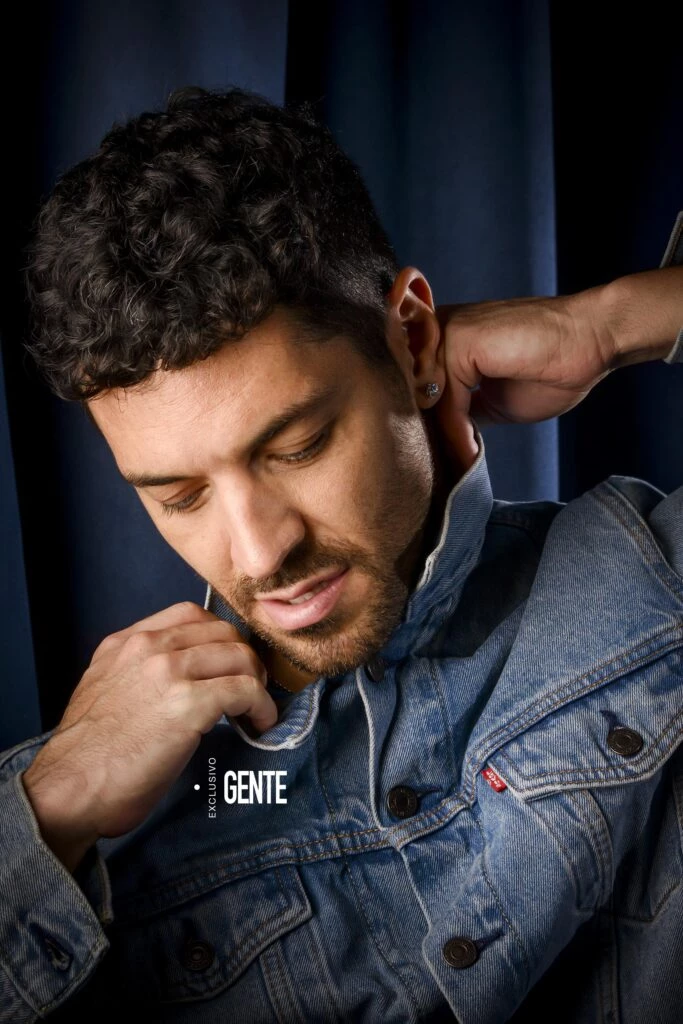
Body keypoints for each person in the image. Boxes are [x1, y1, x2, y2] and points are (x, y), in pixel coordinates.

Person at [0, 85, 681, 1023]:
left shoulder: (657, 586)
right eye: (180, 496)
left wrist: (606, 325)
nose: (259, 553)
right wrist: (52, 804)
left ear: (412, 340)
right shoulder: (84, 825)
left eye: (298, 447)